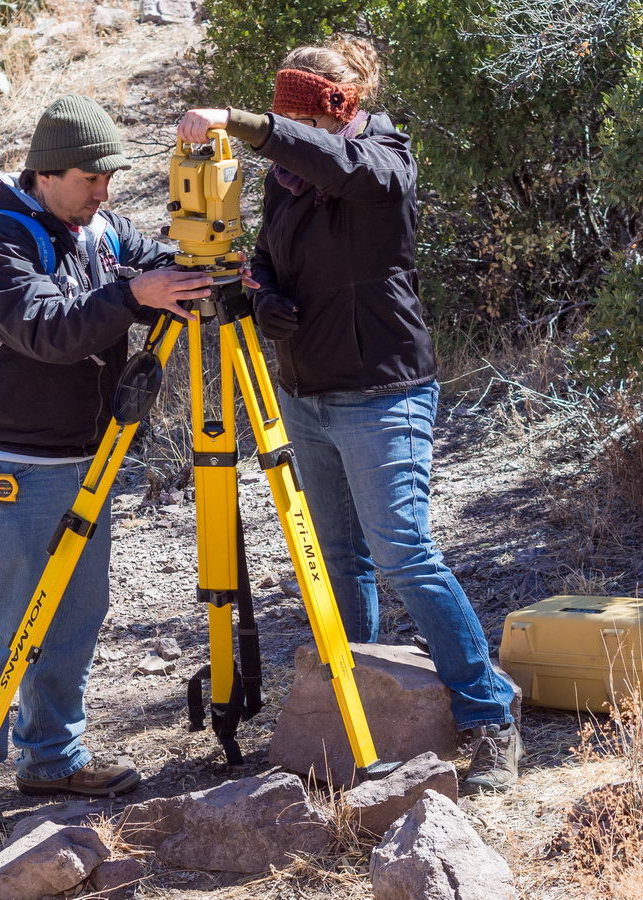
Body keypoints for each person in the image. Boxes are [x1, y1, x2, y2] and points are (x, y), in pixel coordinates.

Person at [177, 38, 522, 794]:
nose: (290, 145)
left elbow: (344, 167)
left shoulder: (383, 158)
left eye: (303, 118)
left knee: (404, 553)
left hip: (382, 390)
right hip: (306, 393)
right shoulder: (289, 180)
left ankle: (490, 712)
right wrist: (264, 296)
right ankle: (354, 710)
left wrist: (245, 119)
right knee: (337, 562)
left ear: (342, 104)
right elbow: (265, 255)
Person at [0, 94, 223, 832]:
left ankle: (52, 758)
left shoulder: (99, 229)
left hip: (86, 456)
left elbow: (154, 260)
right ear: (47, 175)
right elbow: (46, 330)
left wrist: (190, 271)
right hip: (11, 462)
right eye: (92, 179)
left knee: (75, 614)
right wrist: (134, 295)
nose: (106, 192)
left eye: (110, 179)